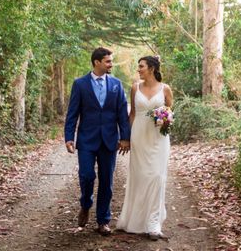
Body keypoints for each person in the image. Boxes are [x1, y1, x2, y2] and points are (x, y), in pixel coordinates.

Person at [64, 47, 131, 236]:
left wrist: (125, 137)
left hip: (109, 140)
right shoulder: (80, 84)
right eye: (108, 61)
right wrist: (69, 137)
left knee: (106, 182)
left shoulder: (117, 85)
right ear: (97, 62)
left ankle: (103, 221)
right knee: (86, 176)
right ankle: (85, 204)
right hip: (86, 139)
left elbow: (122, 114)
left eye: (111, 61)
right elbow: (72, 113)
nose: (111, 64)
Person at [116, 55, 173, 241]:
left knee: (157, 177)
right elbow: (132, 114)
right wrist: (125, 138)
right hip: (139, 136)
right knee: (140, 177)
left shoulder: (165, 89)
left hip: (158, 138)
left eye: (141, 66)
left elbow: (170, 113)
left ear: (152, 68)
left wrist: (165, 120)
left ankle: (154, 223)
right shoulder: (135, 87)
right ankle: (135, 220)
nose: (138, 69)